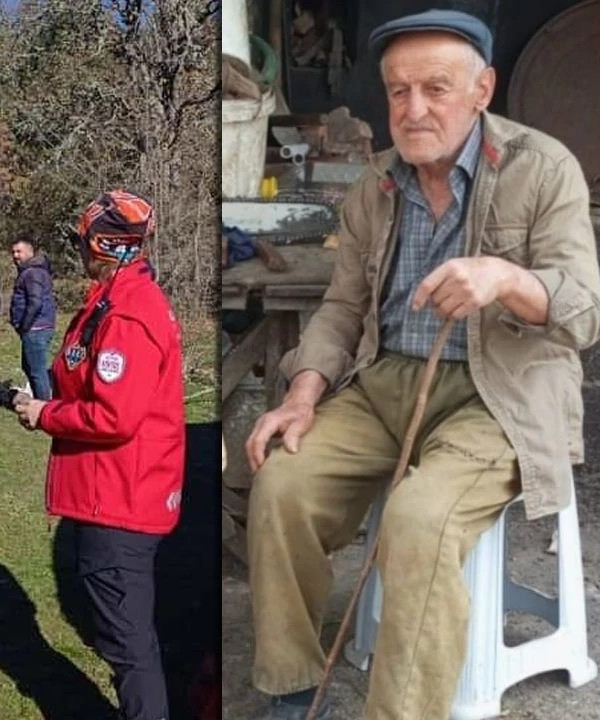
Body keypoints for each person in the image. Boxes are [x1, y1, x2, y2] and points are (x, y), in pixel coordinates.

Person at [243, 11, 600, 720]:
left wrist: (505, 279)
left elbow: (584, 310)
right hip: (383, 383)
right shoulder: (375, 184)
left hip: (499, 396)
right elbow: (343, 307)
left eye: (436, 88)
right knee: (282, 484)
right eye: (398, 91)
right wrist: (303, 394)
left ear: (482, 89)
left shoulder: (542, 167)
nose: (413, 110)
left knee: (419, 518)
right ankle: (291, 685)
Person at [15, 190, 185, 720]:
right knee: (123, 637)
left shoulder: (130, 313)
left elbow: (115, 416)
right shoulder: (114, 299)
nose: (78, 251)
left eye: (83, 242)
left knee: (129, 647)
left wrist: (45, 414)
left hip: (121, 500)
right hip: (111, 493)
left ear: (105, 246)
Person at [10, 233, 57, 400]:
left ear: (30, 252)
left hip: (36, 327)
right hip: (36, 327)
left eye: (19, 251)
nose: (15, 255)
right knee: (29, 367)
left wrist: (24, 325)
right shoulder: (31, 272)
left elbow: (35, 302)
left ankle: (43, 406)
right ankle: (40, 401)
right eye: (13, 252)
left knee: (37, 370)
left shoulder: (32, 273)